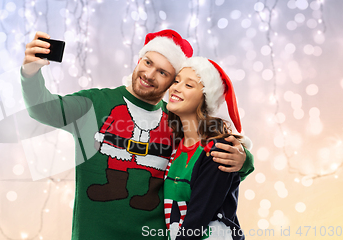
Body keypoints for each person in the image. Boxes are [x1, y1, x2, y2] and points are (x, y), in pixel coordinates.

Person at [20, 29, 254, 240]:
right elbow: (43, 109)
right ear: (139, 59)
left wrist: (244, 160)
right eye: (148, 62)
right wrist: (30, 73)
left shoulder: (175, 121)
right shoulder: (94, 103)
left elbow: (208, 159)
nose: (150, 74)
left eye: (162, 72)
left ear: (171, 83)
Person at [164, 57, 248, 240]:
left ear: (205, 98)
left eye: (189, 85)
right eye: (176, 81)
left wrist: (246, 159)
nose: (176, 87)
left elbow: (197, 220)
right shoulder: (175, 146)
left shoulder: (218, 151)